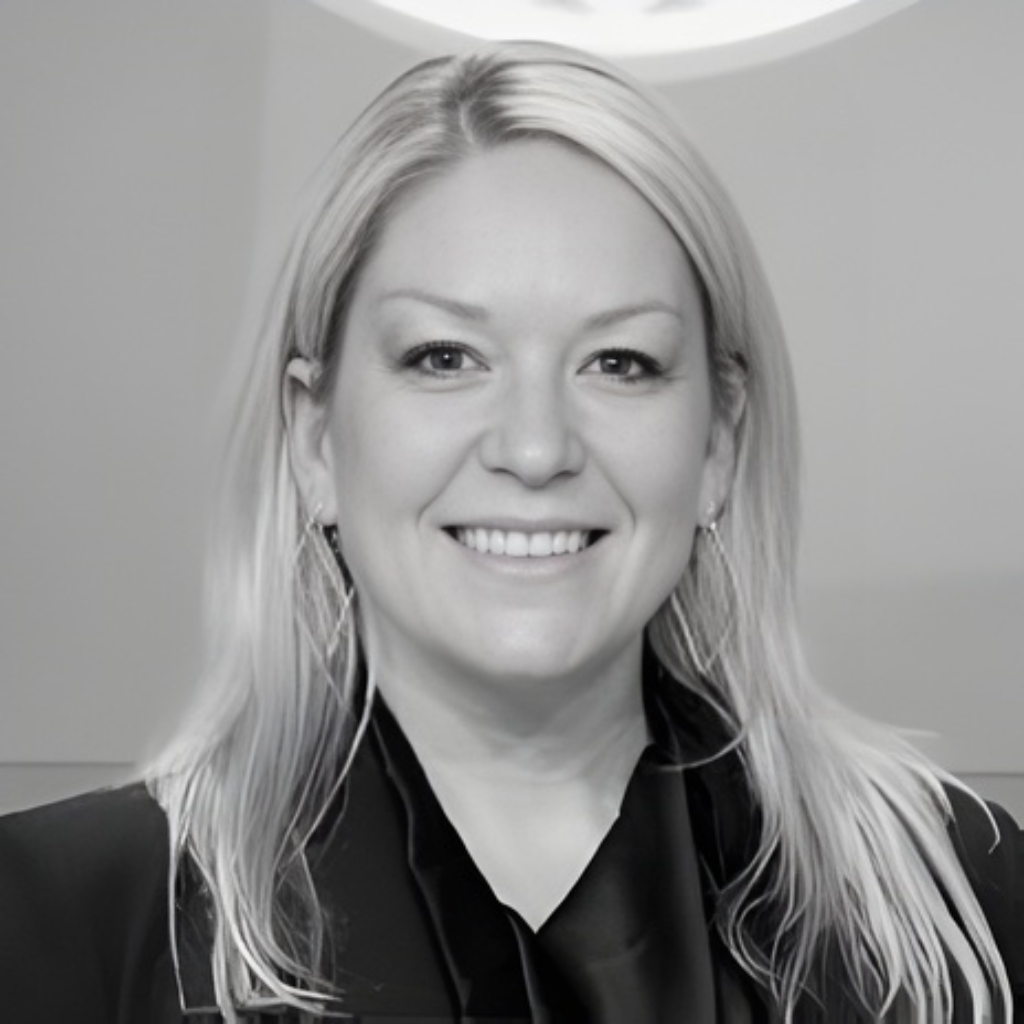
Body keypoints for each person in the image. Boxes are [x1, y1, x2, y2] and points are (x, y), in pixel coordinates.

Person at [1, 40, 1021, 1024]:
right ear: (315, 439)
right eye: (446, 357)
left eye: (619, 362)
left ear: (718, 442)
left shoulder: (962, 901)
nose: (535, 448)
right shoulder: (57, 923)